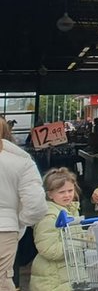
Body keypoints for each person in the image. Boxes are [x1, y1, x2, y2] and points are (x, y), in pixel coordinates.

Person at [0, 119, 47, 291]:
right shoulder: (23, 162)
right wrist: (19, 221)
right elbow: (36, 206)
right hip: (5, 230)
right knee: (3, 279)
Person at [31, 168, 81, 291]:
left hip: (66, 274)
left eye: (70, 190)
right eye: (61, 192)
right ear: (50, 194)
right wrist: (80, 243)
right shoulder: (49, 216)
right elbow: (48, 249)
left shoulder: (71, 210)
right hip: (52, 278)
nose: (67, 195)